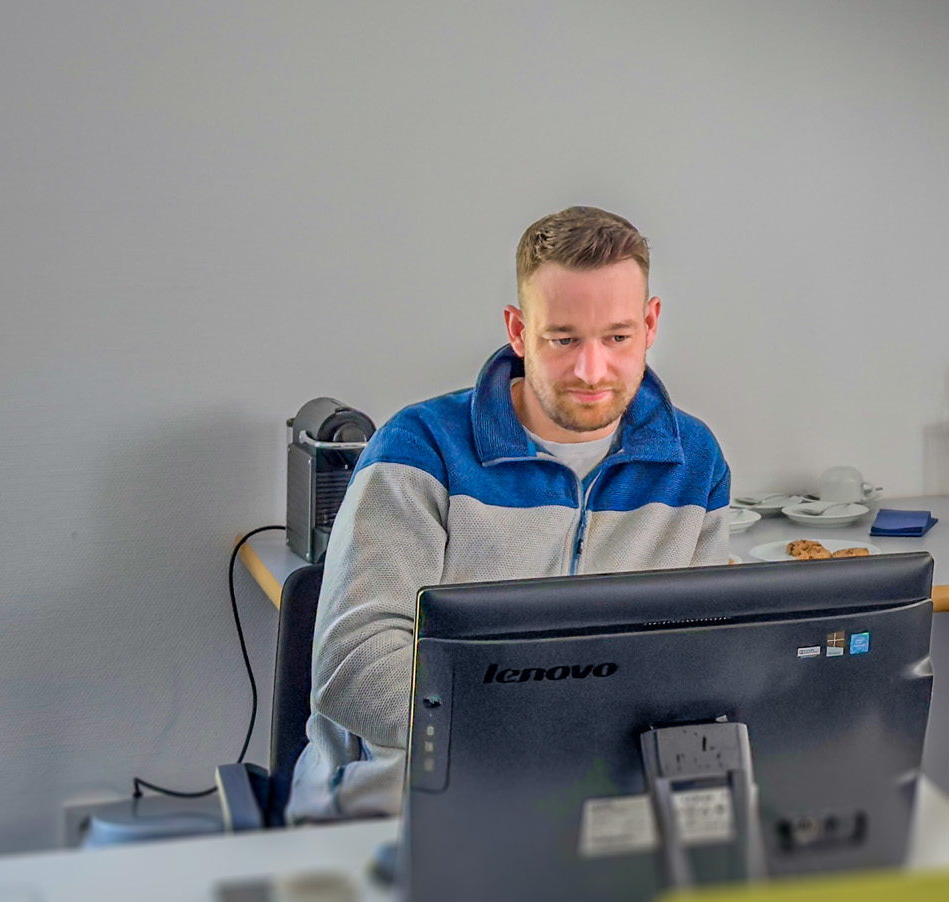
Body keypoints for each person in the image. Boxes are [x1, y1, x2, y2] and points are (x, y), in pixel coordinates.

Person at [290, 206, 730, 822]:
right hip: (401, 808)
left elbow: (706, 654)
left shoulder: (694, 461)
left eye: (617, 337)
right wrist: (544, 736)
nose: (592, 370)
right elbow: (355, 666)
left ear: (650, 324)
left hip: (600, 805)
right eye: (563, 339)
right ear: (519, 331)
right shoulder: (420, 450)